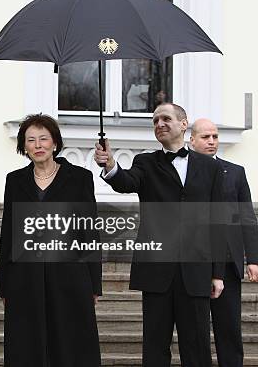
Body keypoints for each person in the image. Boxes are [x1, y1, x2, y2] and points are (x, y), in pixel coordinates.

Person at [94, 103, 225, 367]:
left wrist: (218, 273)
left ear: (184, 124)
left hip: (196, 269)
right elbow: (127, 181)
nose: (159, 124)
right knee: (155, 346)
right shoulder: (146, 162)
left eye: (166, 119)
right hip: (157, 269)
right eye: (155, 121)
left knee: (197, 346)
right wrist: (110, 164)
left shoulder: (209, 167)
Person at [0, 114, 102, 366]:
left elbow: (89, 232)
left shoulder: (79, 178)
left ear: (55, 142)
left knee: (70, 343)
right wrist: (4, 283)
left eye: (44, 139)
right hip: (26, 276)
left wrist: (94, 282)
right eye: (31, 140)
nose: (38, 145)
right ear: (24, 146)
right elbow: (8, 232)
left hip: (69, 275)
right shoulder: (15, 180)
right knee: (27, 345)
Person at [190, 118, 258, 367]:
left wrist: (253, 259)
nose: (211, 142)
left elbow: (247, 217)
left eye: (215, 137)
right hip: (193, 260)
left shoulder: (235, 171)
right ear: (192, 139)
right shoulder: (183, 170)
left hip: (229, 260)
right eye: (205, 137)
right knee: (195, 331)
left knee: (229, 327)